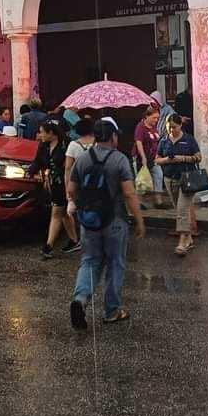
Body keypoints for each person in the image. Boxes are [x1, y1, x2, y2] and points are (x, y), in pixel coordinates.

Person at [68, 119, 145, 328]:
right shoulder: (119, 160)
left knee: (90, 261)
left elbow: (71, 190)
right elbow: (129, 193)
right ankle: (112, 311)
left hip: (89, 221)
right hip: (115, 220)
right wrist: (139, 221)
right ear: (113, 137)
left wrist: (81, 207)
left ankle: (80, 299)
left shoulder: (82, 159)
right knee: (115, 263)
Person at [28, 120, 80, 258]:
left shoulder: (67, 145)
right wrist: (31, 171)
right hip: (53, 184)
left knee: (56, 213)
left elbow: (72, 164)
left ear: (51, 133)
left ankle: (49, 246)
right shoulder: (43, 146)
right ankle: (74, 240)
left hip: (65, 182)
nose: (40, 135)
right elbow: (38, 160)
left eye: (42, 132)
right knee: (63, 213)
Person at [156, 114, 202, 256]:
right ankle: (188, 238)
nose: (171, 130)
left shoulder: (188, 139)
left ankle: (182, 241)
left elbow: (198, 157)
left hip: (186, 179)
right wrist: (167, 160)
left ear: (180, 125)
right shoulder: (163, 140)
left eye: (174, 127)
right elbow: (157, 159)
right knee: (179, 209)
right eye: (169, 128)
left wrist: (182, 158)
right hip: (170, 178)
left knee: (182, 209)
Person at [133, 105, 165, 209]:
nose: (156, 120)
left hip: (154, 158)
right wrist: (143, 157)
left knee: (158, 176)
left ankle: (158, 201)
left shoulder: (154, 127)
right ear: (147, 116)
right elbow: (139, 142)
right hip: (141, 159)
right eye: (154, 118)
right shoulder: (140, 127)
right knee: (142, 181)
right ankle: (140, 202)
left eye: (157, 118)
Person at [65, 117, 95, 187]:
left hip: (78, 181)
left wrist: (67, 186)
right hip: (97, 181)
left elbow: (68, 167)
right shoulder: (99, 143)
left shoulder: (73, 145)